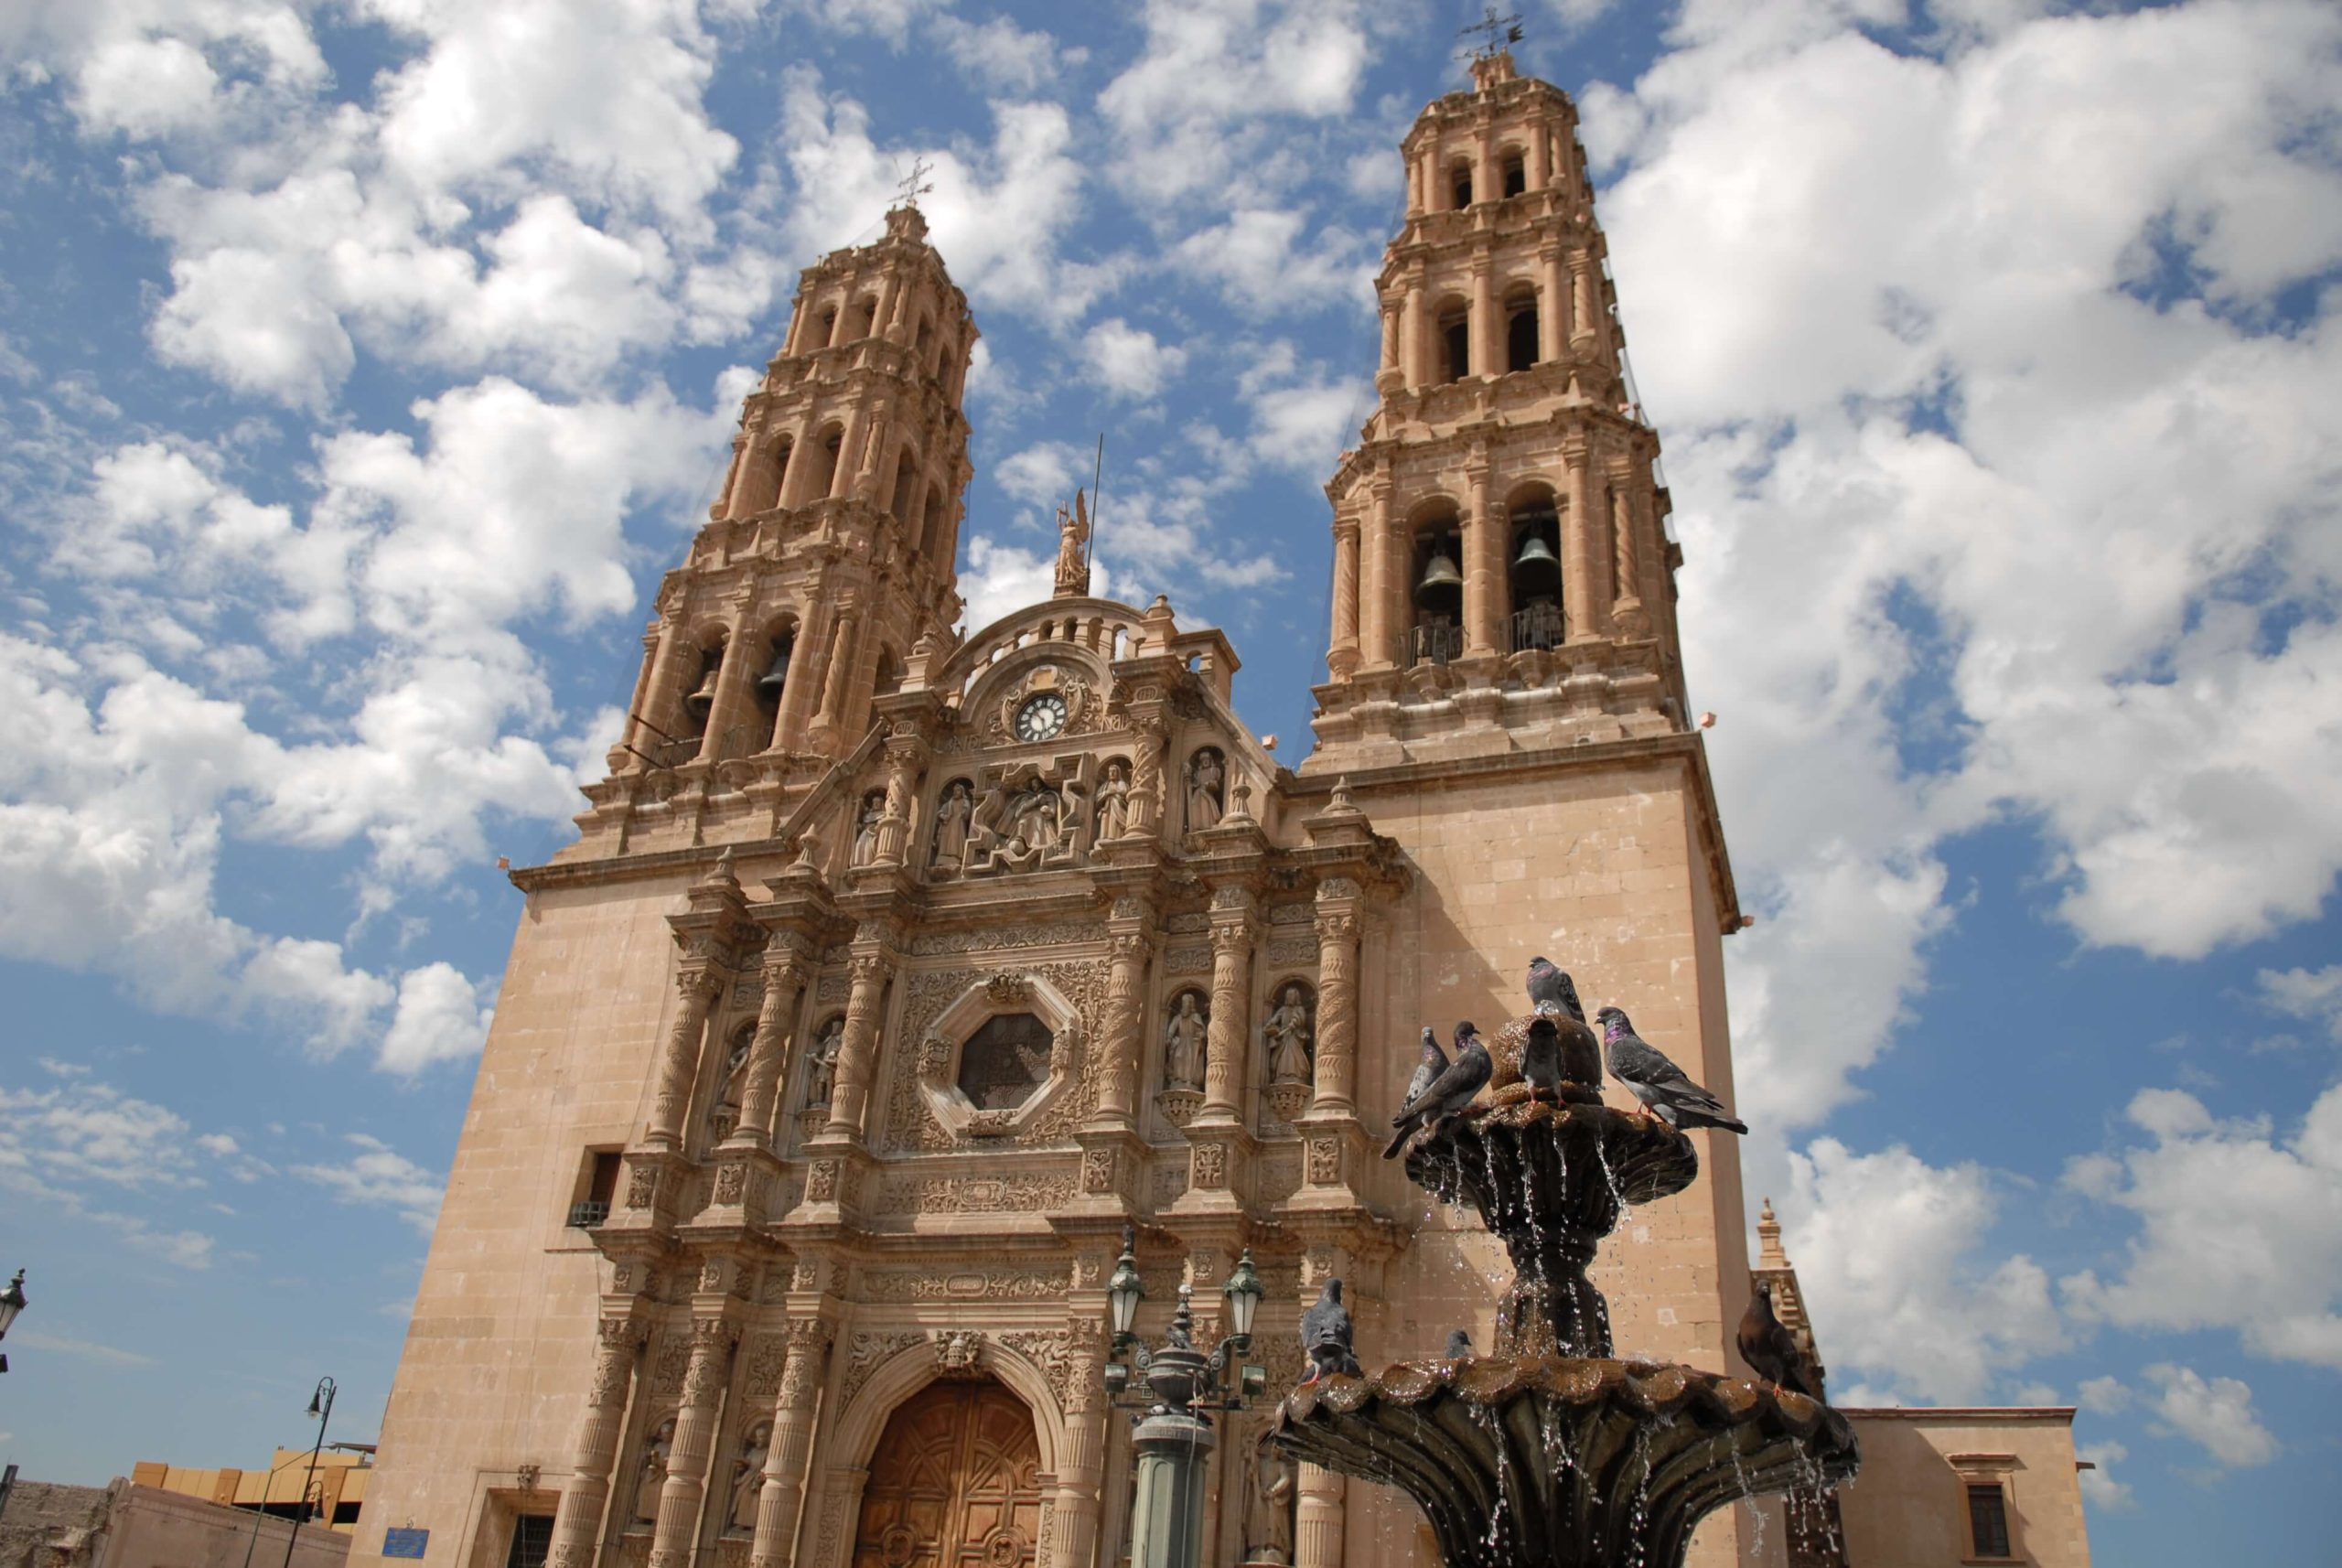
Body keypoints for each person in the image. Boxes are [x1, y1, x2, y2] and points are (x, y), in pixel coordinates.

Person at [1263, 985, 1314, 1085]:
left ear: (1296, 997)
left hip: (1294, 1037)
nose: (1289, 998)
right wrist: (1270, 1026)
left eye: (1292, 996)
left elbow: (1300, 1019)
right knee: (1281, 1059)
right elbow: (1275, 1019)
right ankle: (1281, 1076)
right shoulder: (1283, 1009)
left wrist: (1294, 1023)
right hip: (1284, 1038)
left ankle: (1296, 1076)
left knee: (1293, 1057)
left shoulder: (1300, 1009)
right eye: (1288, 996)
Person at [1164, 993, 1207, 1090]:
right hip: (1181, 1042)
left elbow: (1202, 1031)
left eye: (1186, 1003)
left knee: (1190, 1057)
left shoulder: (1196, 1017)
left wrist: (1200, 1035)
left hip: (1192, 1043)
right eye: (1183, 1003)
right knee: (1178, 1056)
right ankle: (1178, 1078)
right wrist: (1169, 1038)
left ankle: (1190, 1079)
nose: (1184, 1005)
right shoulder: (1178, 1018)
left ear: (1191, 1005)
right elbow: (1172, 1028)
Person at [930, 779, 972, 870]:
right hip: (948, 824)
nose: (955, 792)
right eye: (954, 791)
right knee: (945, 840)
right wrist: (944, 816)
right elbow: (940, 812)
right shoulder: (949, 802)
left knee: (955, 839)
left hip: (958, 824)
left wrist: (964, 812)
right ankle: (943, 854)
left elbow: (967, 810)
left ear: (962, 792)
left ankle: (955, 856)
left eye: (958, 790)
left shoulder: (964, 802)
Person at [1187, 748, 1224, 832]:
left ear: (1210, 760)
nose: (1205, 762)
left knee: (1205, 806)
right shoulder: (1199, 773)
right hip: (1198, 793)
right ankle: (1197, 825)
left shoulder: (1213, 770)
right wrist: (1189, 783)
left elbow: (1215, 783)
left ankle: (1207, 825)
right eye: (1203, 760)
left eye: (1207, 760)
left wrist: (1209, 784)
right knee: (1195, 806)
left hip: (1207, 793)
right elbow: (1196, 784)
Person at [1094, 759, 1131, 841]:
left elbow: (1125, 791)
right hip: (1106, 808)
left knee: (1114, 821)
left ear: (1118, 773)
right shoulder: (1105, 785)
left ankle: (1114, 838)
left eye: (1114, 771)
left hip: (1117, 807)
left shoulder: (1121, 783)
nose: (1112, 773)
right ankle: (1103, 838)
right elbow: (1098, 797)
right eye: (1110, 771)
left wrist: (1114, 792)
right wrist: (1107, 793)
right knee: (1105, 819)